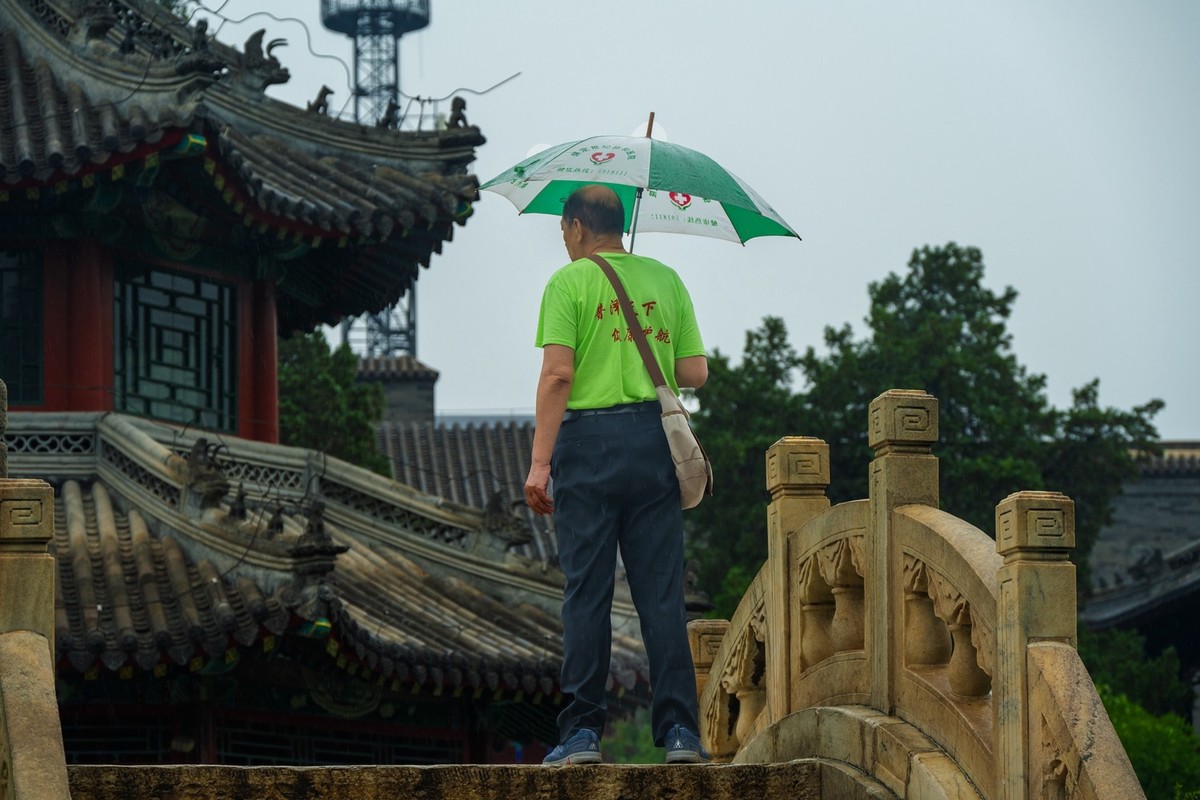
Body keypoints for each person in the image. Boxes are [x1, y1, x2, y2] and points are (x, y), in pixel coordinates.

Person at [524, 184, 711, 766]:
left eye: (563, 232)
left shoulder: (569, 282)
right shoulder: (665, 279)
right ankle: (680, 733)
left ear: (578, 227)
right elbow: (694, 372)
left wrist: (539, 462)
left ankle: (581, 733)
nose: (564, 242)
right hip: (652, 442)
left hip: (587, 446)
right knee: (661, 594)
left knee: (588, 592)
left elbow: (558, 374)